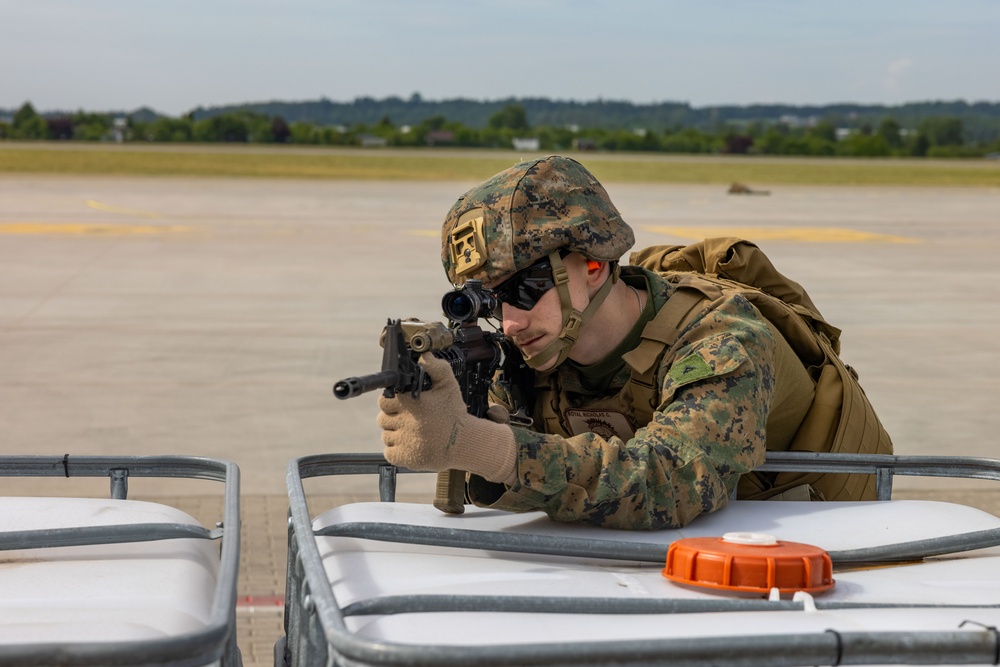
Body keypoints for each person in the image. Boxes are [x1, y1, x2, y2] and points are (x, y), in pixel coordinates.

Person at [377, 155, 818, 530]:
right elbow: (541, 495)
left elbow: (674, 482)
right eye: (492, 301)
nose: (510, 322)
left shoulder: (720, 337)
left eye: (526, 289)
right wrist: (465, 422)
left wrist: (487, 446)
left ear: (592, 263)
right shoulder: (526, 355)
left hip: (824, 545)